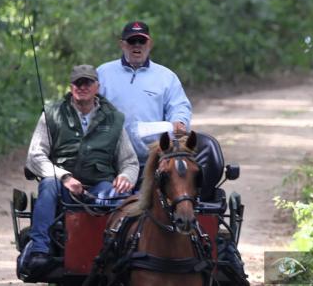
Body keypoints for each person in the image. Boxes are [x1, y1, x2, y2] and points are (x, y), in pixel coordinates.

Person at [21, 65, 139, 276]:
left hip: (100, 187)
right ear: (71, 87)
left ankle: (121, 254)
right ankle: (39, 252)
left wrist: (125, 176)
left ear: (97, 87)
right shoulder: (52, 114)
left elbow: (129, 161)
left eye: (87, 83)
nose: (82, 87)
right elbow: (35, 156)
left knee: (121, 198)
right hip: (62, 186)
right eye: (78, 83)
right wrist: (64, 177)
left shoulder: (113, 118)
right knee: (48, 185)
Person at [97, 21, 192, 167]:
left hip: (155, 158)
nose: (137, 45)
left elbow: (179, 105)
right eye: (131, 41)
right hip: (112, 159)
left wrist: (179, 121)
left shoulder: (166, 76)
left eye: (141, 41)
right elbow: (89, 107)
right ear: (122, 44)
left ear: (150, 44)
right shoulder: (103, 73)